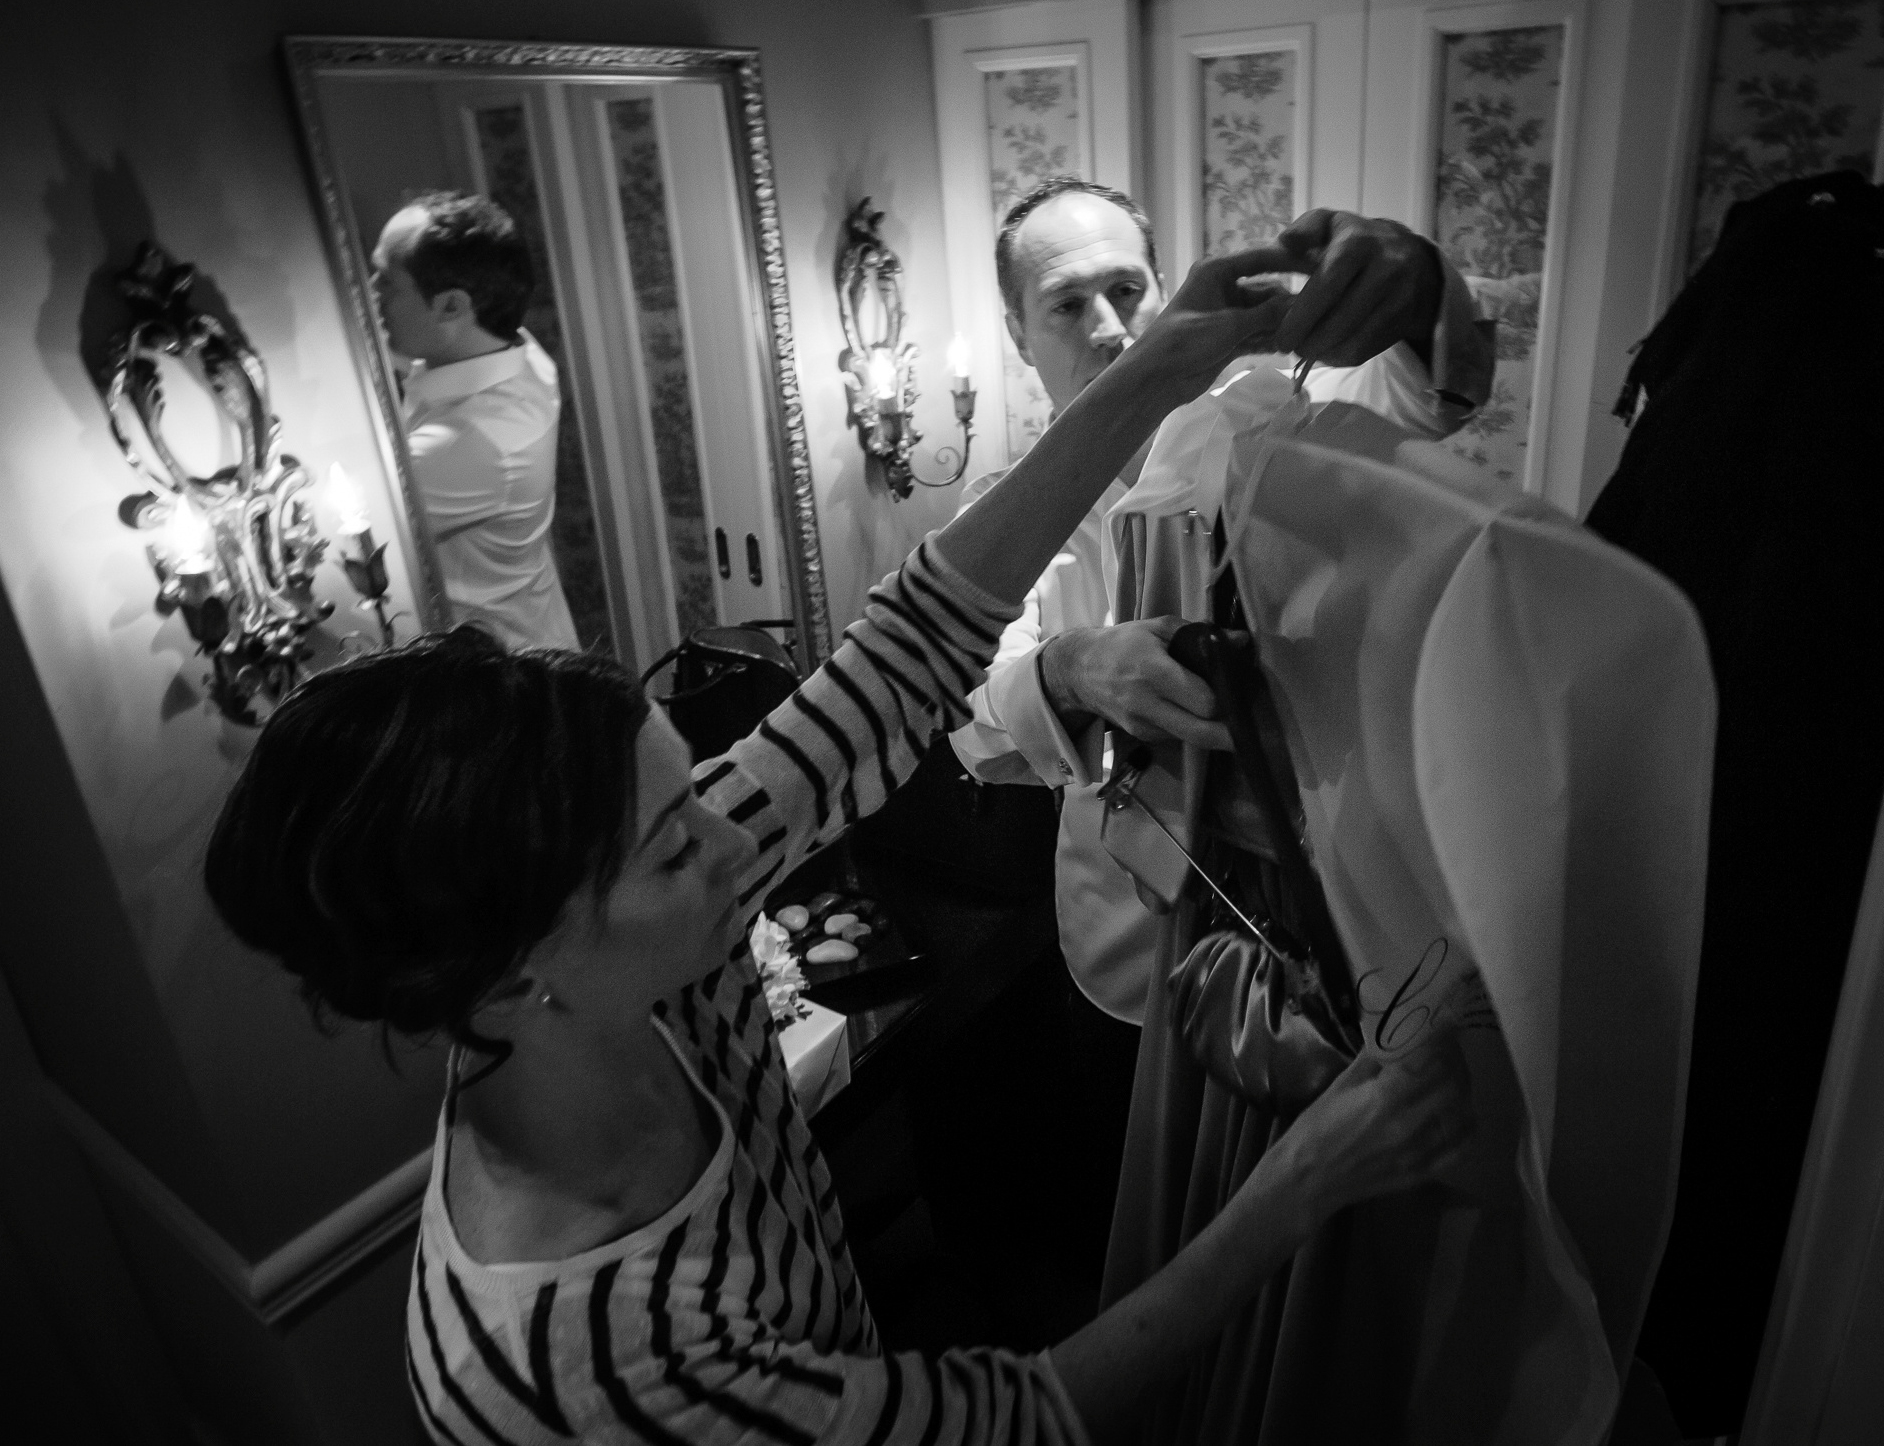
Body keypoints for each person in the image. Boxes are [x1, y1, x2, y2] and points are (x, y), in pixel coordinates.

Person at [204, 228, 1490, 1446]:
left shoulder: (619, 966)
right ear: (518, 968)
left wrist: (1173, 358)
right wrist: (1308, 1181)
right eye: (672, 842)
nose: (736, 842)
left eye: (694, 792)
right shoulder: (600, 1372)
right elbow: (1025, 1418)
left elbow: (903, 657)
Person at [949, 181, 1482, 1030]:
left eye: (1127, 289)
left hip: (1316, 938)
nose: (1110, 327)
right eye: (1066, 304)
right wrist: (1070, 667)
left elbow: (1423, 396)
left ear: (1163, 293)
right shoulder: (998, 515)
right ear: (1017, 333)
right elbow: (971, 721)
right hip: (1121, 943)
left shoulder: (1270, 430)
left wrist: (1417, 290)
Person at [372, 190, 580, 649]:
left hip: (502, 673)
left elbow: (353, 532)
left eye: (385, 281)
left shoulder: (470, 443)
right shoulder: (516, 349)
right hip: (531, 616)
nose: (369, 293)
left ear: (451, 307)